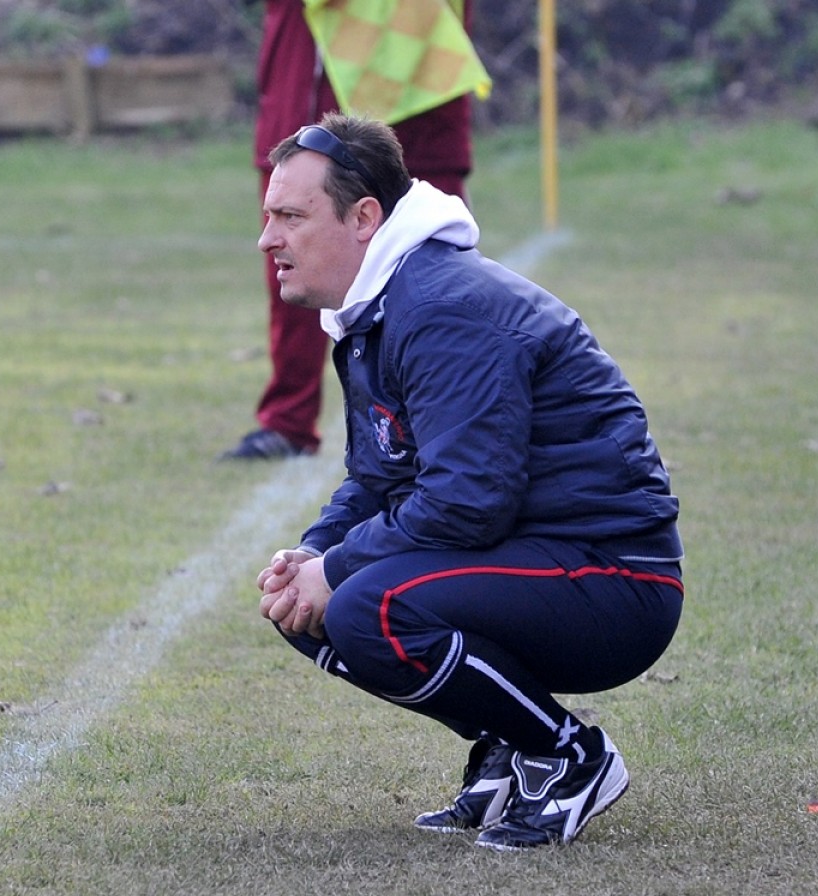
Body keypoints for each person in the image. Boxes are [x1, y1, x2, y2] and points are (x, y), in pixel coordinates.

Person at [253, 114, 684, 850]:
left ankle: (567, 756)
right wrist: (315, 553)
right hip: (534, 554)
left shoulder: (442, 307)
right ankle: (507, 747)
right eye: (268, 217)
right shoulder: (379, 310)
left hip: (616, 580)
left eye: (290, 216)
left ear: (364, 219)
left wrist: (341, 569)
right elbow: (380, 475)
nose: (268, 239)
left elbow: (464, 501)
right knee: (311, 604)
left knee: (366, 607)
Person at [219, 0, 474, 460]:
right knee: (292, 263)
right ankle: (288, 420)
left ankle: (448, 422)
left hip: (416, 97)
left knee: (440, 279)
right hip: (308, 93)